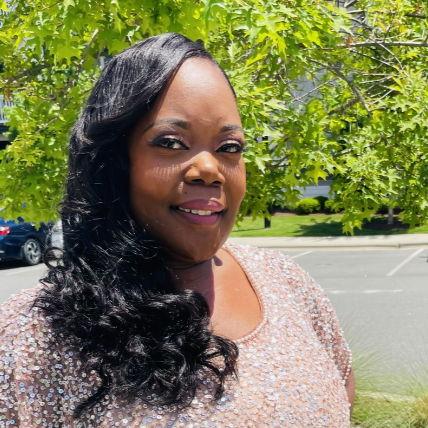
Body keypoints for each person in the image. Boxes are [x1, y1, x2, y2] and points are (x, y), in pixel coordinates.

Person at [0, 33, 355, 427]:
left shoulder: (287, 282)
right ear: (115, 161)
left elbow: (343, 396)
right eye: (171, 143)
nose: (209, 169)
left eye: (229, 147)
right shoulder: (34, 336)